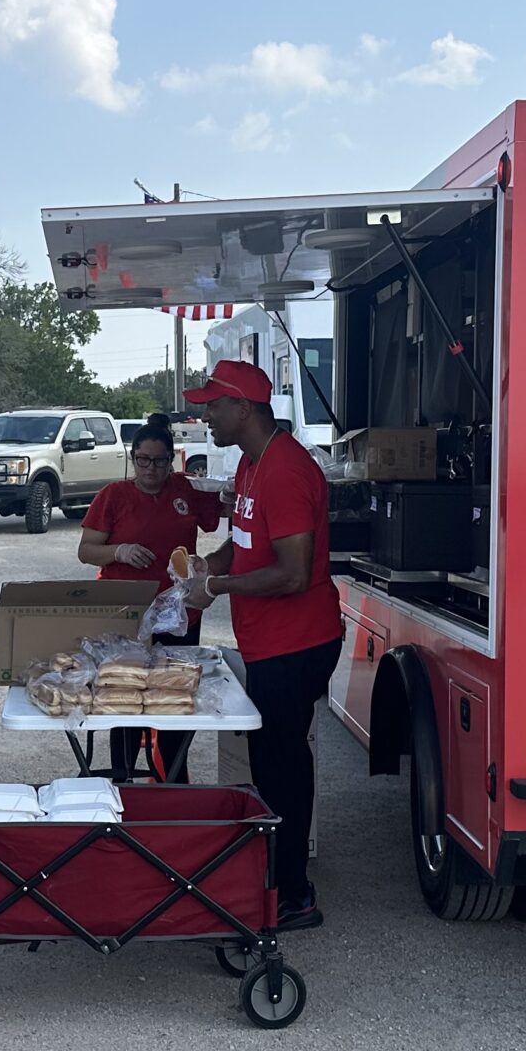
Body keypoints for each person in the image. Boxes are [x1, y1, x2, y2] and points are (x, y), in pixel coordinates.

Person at [181, 360, 340, 929]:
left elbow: (294, 573)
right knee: (270, 762)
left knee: (283, 764)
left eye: (213, 406)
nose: (205, 416)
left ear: (243, 408)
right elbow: (240, 543)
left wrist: (217, 587)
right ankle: (276, 873)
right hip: (269, 641)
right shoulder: (251, 463)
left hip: (298, 643)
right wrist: (208, 567)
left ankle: (294, 894)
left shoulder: (286, 471)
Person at [76, 412, 220, 781]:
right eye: (143, 460)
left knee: (173, 698)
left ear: (171, 459)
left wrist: (227, 495)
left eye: (159, 461)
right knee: (124, 699)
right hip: (127, 612)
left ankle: (173, 778)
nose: (150, 469)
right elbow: (87, 550)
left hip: (178, 611)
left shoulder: (185, 489)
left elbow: (216, 518)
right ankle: (123, 779)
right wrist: (119, 550)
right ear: (132, 458)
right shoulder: (114, 495)